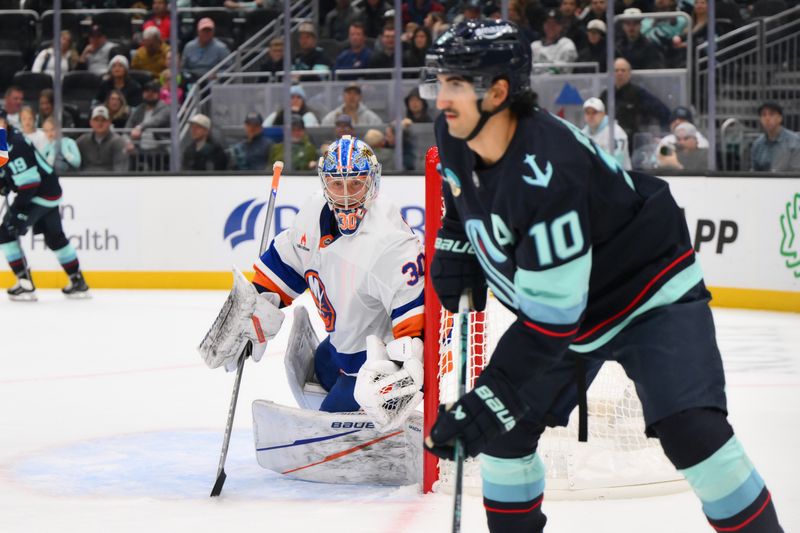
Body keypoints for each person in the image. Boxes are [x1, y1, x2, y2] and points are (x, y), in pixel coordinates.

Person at [422, 20, 784, 533]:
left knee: (692, 432)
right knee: (505, 436)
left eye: (455, 84)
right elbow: (461, 193)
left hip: (647, 293)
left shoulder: (548, 170)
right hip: (569, 307)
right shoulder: (456, 131)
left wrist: (495, 393)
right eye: (440, 83)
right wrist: (455, 240)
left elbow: (551, 324)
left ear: (498, 92)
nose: (441, 99)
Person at [0, 113, 90, 301]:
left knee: (6, 233)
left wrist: (20, 211)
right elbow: (11, 169)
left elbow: (30, 182)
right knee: (55, 238)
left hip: (38, 194)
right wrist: (5, 181)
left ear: (5, 122)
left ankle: (25, 284)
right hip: (49, 191)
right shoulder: (7, 138)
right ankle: (77, 281)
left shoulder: (14, 143)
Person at [600, 58, 670, 143]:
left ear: (629, 74)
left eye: (623, 70)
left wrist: (662, 135)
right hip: (609, 140)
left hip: (633, 141)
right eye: (616, 70)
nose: (619, 73)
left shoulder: (639, 93)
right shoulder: (606, 95)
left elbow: (663, 111)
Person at [125, 81, 170, 171]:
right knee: (127, 153)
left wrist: (140, 127)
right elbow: (127, 128)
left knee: (154, 157)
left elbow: (157, 121)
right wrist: (127, 141)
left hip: (160, 147)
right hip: (140, 147)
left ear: (158, 94)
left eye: (153, 92)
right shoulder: (139, 109)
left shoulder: (165, 108)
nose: (149, 94)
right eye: (146, 91)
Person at [581, 97, 631, 170]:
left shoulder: (616, 133)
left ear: (603, 114)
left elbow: (616, 163)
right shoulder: (582, 134)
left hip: (618, 178)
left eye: (594, 112)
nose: (590, 116)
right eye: (587, 113)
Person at [750, 101, 800, 172]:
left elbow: (796, 173)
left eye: (771, 114)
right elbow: (754, 172)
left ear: (780, 118)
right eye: (763, 115)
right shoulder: (757, 144)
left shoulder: (794, 142)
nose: (767, 118)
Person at [76, 105, 128, 172]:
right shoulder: (82, 141)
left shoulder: (118, 142)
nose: (100, 123)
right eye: (96, 120)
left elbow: (120, 168)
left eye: (103, 120)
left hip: (110, 180)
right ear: (91, 122)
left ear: (109, 122)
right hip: (85, 179)